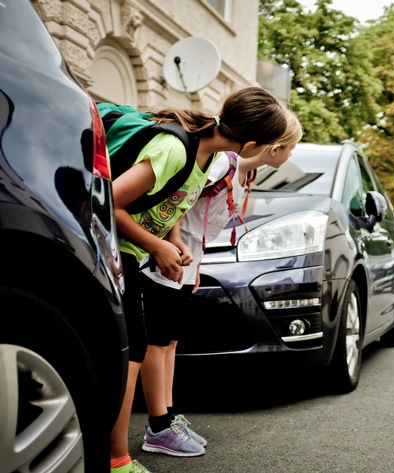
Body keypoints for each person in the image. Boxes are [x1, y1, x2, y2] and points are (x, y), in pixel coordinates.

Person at [109, 87, 289, 473]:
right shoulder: (176, 149)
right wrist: (157, 246)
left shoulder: (209, 156)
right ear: (253, 142)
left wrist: (173, 242)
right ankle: (115, 458)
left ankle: (118, 453)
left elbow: (170, 203)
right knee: (134, 349)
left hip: (137, 250)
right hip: (115, 245)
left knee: (136, 349)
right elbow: (109, 201)